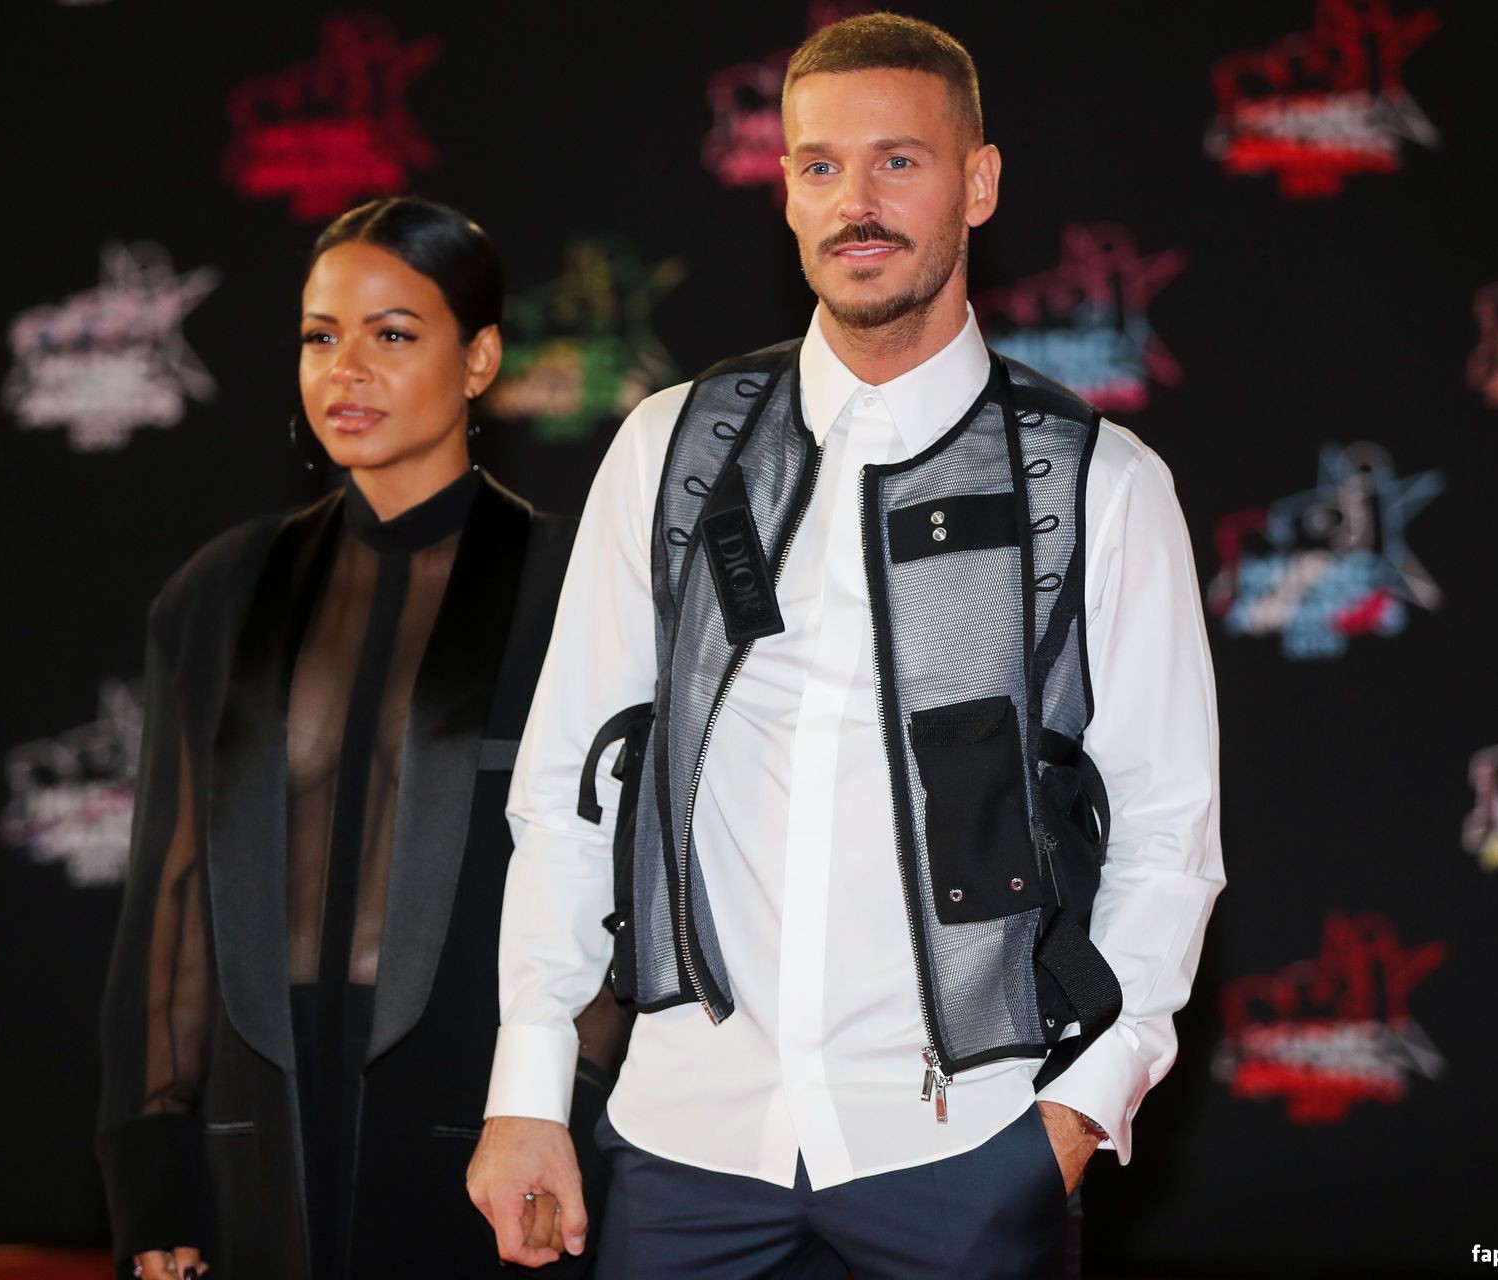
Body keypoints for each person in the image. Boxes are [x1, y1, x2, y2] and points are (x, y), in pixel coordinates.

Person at [468, 14, 1223, 1279]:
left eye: (898, 162)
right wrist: (530, 1084)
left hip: (967, 1149)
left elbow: (1168, 827)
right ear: (785, 189)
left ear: (978, 182)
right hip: (686, 1145)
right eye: (820, 166)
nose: (855, 203)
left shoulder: (1098, 482)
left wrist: (1080, 1110)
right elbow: (569, 792)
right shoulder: (670, 448)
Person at [96, 196, 626, 1280]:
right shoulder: (219, 594)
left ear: (479, 359)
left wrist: (569, 1111)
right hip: (257, 1129)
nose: (347, 369)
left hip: (485, 1129)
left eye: (392, 334)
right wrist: (155, 1176)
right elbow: (171, 904)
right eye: (320, 335)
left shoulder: (572, 586)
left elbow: (620, 887)